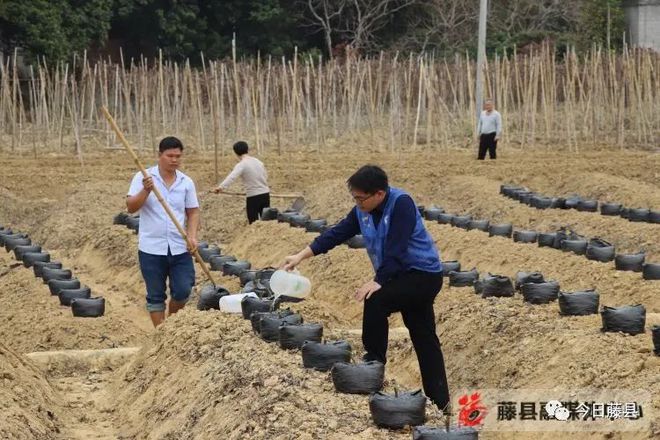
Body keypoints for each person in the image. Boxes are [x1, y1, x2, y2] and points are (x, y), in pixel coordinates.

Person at [282, 165, 450, 412]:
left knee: (376, 299)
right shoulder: (362, 210)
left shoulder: (401, 204)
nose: (357, 202)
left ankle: (373, 364)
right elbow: (337, 233)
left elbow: (396, 249)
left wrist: (378, 281)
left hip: (423, 275)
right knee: (424, 337)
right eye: (355, 197)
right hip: (399, 275)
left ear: (379, 194)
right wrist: (301, 255)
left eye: (361, 198)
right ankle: (441, 403)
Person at [126, 136, 199, 328]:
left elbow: (192, 211)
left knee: (183, 289)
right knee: (155, 294)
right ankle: (160, 334)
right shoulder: (143, 177)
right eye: (170, 156)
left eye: (178, 156)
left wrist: (191, 236)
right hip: (152, 248)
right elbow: (131, 207)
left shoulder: (186, 182)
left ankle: (171, 326)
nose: (174, 160)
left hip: (179, 246)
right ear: (160, 155)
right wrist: (146, 190)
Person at [213, 141, 270, 224]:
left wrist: (220, 187)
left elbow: (231, 177)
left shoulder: (242, 164)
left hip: (253, 196)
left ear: (236, 153)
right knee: (266, 221)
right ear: (247, 149)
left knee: (253, 223)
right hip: (265, 194)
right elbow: (265, 175)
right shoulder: (258, 162)